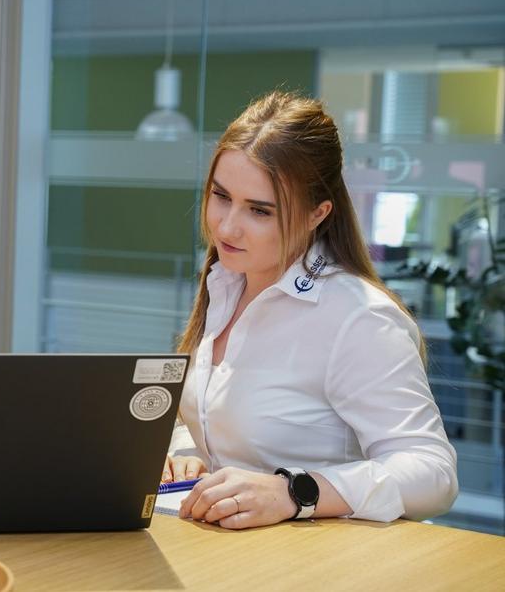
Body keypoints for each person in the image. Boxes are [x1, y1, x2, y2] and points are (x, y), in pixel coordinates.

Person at [165, 91, 458, 528]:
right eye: (221, 196)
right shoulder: (227, 282)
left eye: (259, 211)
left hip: (320, 558)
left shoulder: (359, 317)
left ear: (316, 214)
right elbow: (213, 420)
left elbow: (434, 474)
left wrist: (293, 492)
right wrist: (187, 453)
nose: (227, 226)